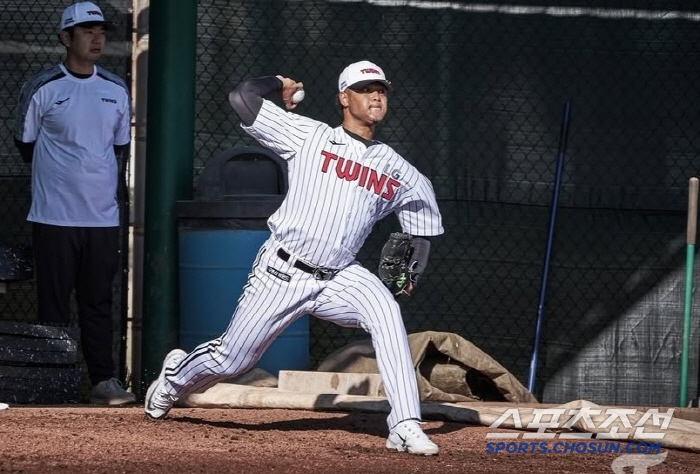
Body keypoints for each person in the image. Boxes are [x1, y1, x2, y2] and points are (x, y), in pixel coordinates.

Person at [145, 60, 444, 455]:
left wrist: (415, 255)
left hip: (341, 275)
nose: (375, 95)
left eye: (382, 89)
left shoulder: (399, 170)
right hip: (282, 270)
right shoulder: (310, 135)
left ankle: (404, 423)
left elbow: (421, 219)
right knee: (232, 359)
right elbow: (242, 97)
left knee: (386, 313)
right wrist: (280, 83)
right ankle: (174, 378)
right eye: (365, 88)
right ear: (343, 97)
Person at [13, 2, 134, 406]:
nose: (97, 38)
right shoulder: (43, 87)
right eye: (86, 31)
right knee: (53, 305)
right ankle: (52, 385)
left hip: (102, 219)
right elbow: (25, 143)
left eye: (101, 31)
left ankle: (103, 382)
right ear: (66, 38)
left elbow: (118, 146)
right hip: (53, 218)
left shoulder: (116, 89)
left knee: (98, 302)